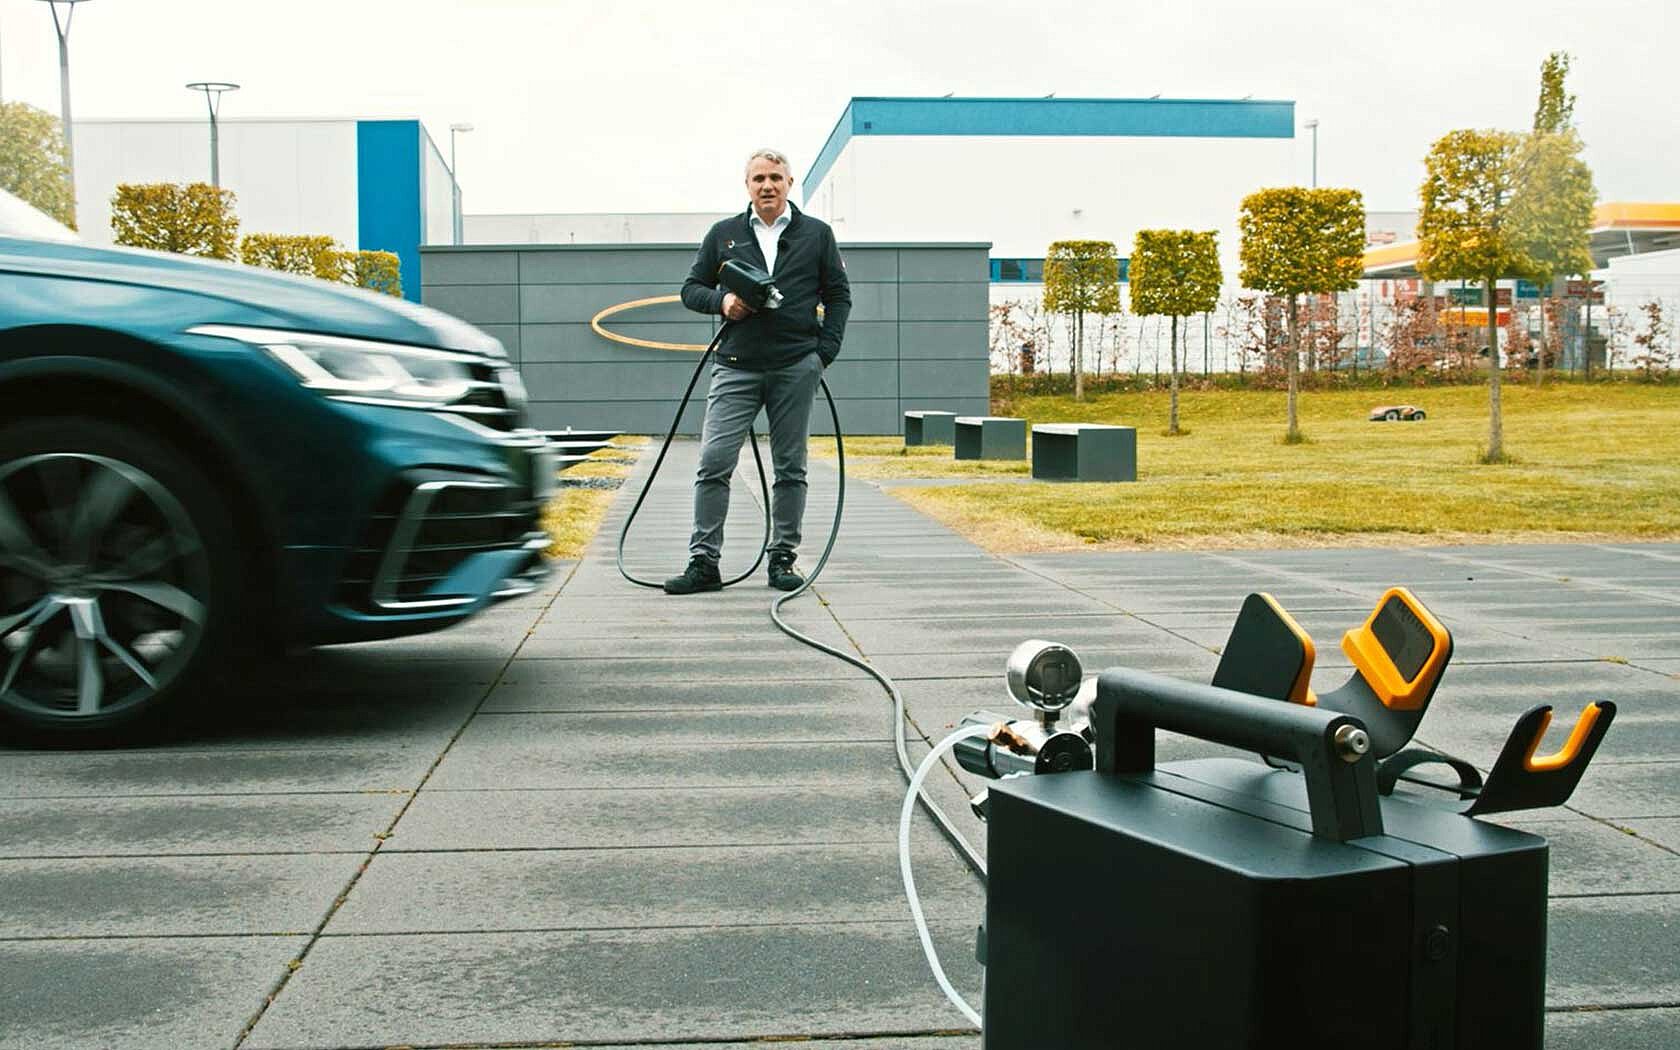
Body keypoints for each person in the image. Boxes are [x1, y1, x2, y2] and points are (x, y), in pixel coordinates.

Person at [663, 149, 851, 595]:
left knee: (790, 466)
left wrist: (822, 353)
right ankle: (704, 562)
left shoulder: (817, 235)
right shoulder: (723, 235)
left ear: (789, 183)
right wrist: (723, 302)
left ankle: (782, 558)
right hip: (735, 367)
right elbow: (691, 289)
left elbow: (839, 296)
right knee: (713, 462)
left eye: (775, 178)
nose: (767, 186)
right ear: (746, 185)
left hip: (795, 367)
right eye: (758, 179)